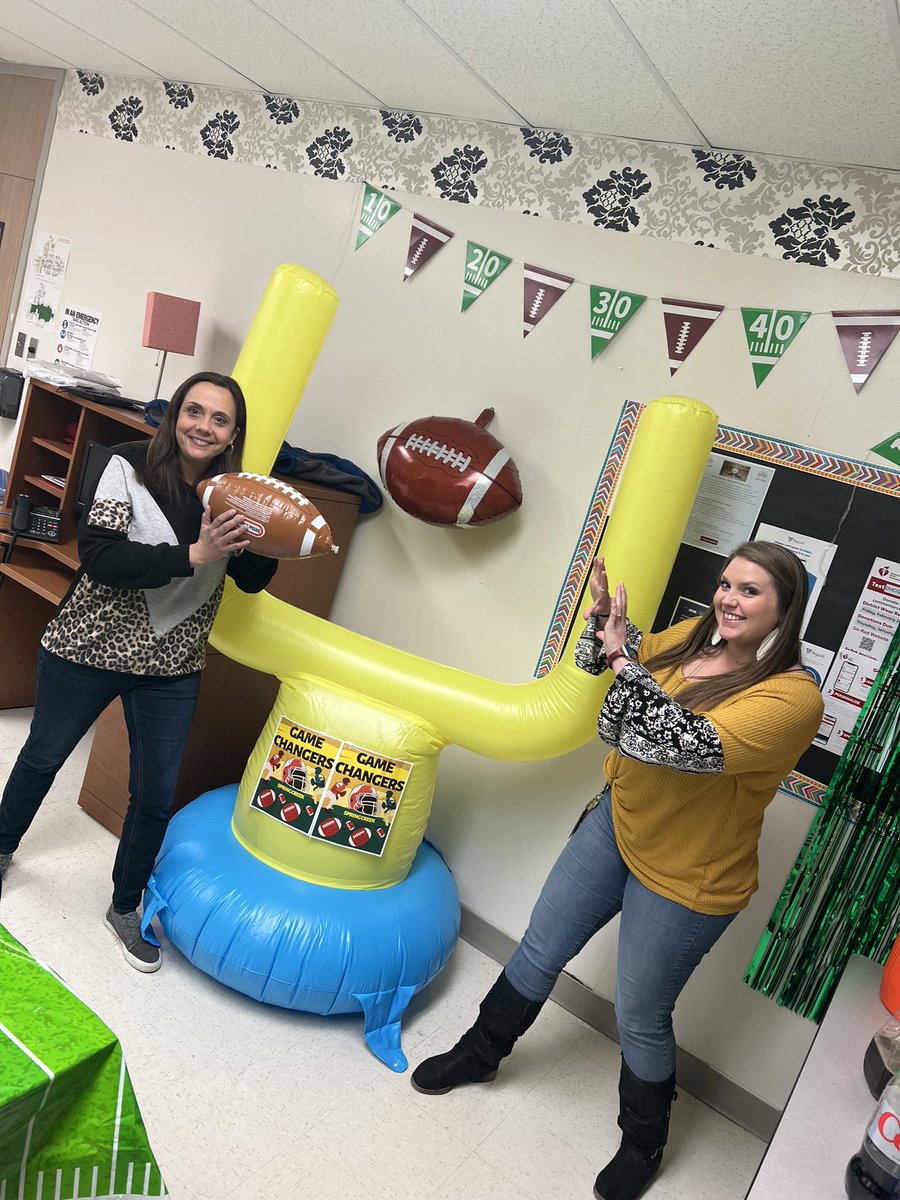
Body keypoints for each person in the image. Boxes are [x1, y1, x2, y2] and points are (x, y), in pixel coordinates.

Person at [410, 541, 824, 1200]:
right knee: (541, 945)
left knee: (640, 1012)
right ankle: (481, 1052)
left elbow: (676, 741)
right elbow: (605, 660)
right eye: (726, 585)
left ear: (786, 608)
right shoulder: (697, 636)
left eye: (750, 591)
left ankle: (643, 1140)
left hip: (691, 875)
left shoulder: (793, 699)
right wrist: (604, 624)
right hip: (617, 823)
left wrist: (624, 654)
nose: (728, 599)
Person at [0, 372, 277, 972]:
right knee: (43, 757)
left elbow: (252, 580)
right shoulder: (124, 464)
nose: (203, 426)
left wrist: (264, 537)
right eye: (194, 411)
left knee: (155, 794)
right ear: (176, 414)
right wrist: (195, 555)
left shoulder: (235, 495)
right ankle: (0, 851)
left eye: (219, 419)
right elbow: (100, 557)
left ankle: (125, 906)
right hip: (88, 646)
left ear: (234, 433)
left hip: (172, 665)